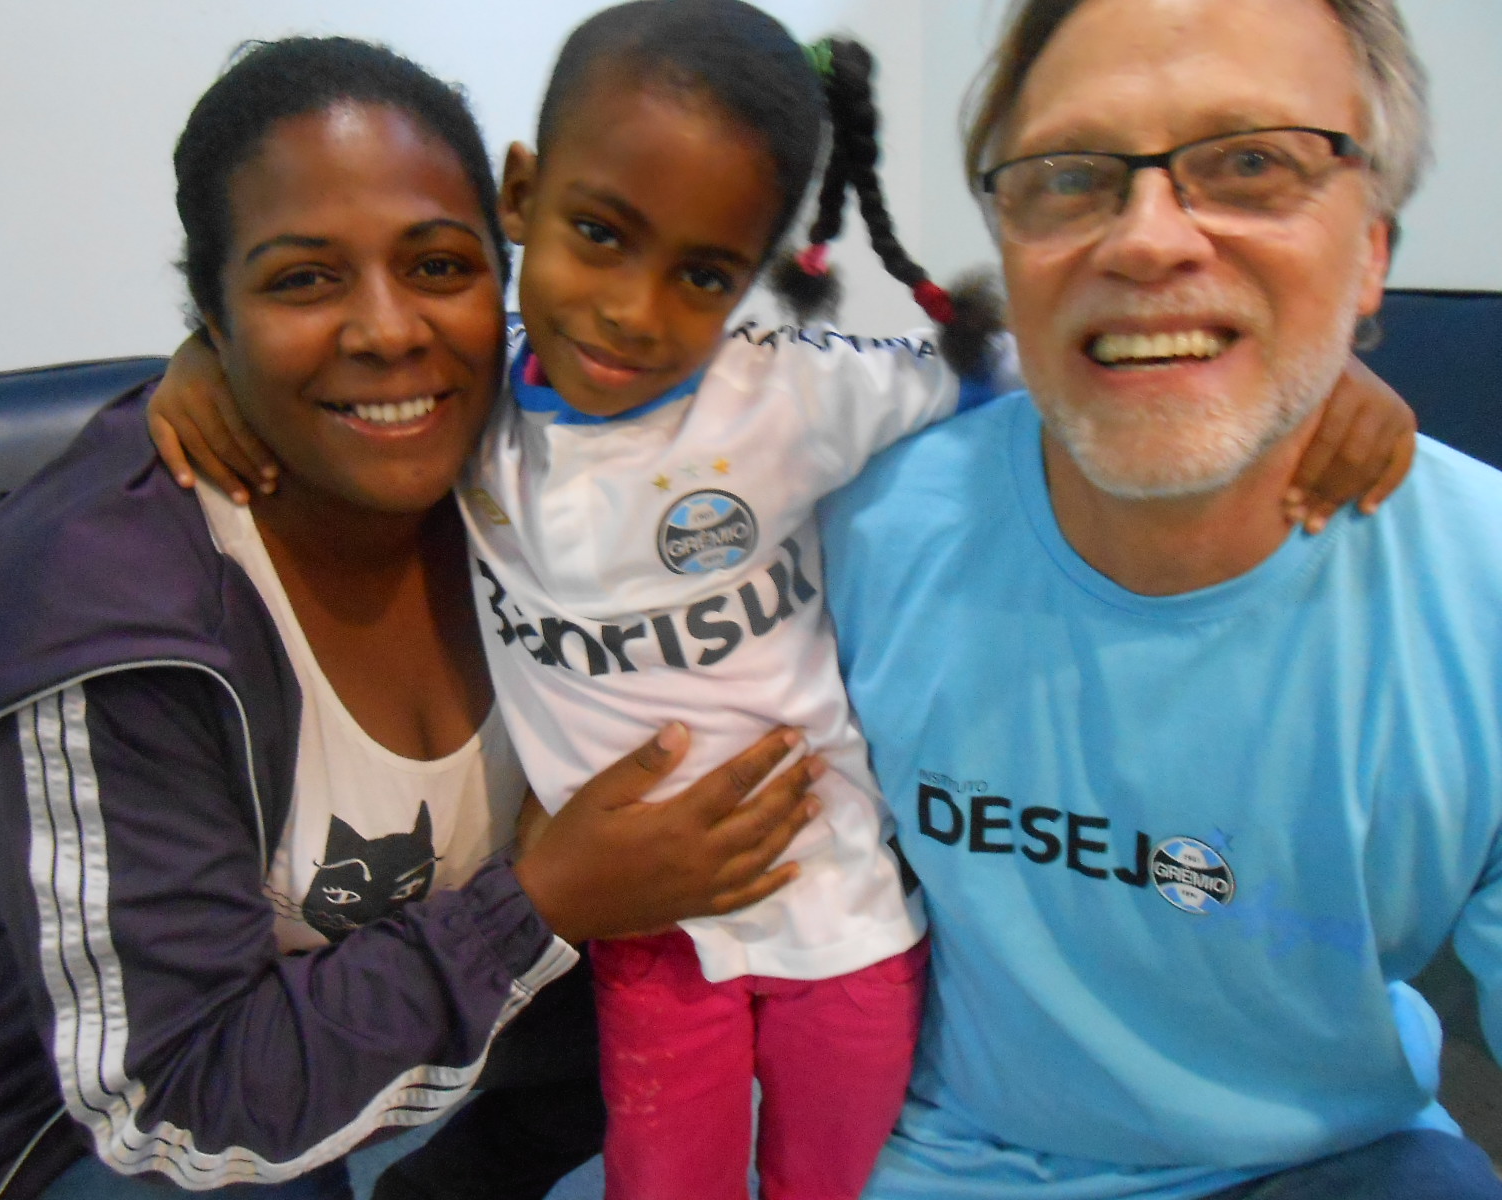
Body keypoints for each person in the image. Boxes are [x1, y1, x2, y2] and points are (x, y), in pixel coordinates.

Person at [147, 5, 1422, 1197]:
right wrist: (199, 357)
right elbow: (348, 362)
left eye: (703, 275)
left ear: (754, 277)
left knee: (834, 1181)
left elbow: (1058, 367)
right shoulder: (467, 407)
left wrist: (1310, 385)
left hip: (838, 918)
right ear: (523, 196)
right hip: (648, 932)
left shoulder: (789, 394)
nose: (632, 313)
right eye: (599, 235)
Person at [0, 37, 824, 1200]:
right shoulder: (107, 587)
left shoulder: (568, 448)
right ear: (212, 310)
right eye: (301, 279)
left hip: (442, 1042)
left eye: (439, 266)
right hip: (121, 1140)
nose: (388, 330)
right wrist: (539, 907)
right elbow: (175, 1107)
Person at [818, 1, 1502, 1197]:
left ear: (1375, 248)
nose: (1146, 240)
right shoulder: (858, 535)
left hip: (1326, 1162)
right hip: (925, 1153)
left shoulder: (1479, 596)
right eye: (1070, 177)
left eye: (1250, 163)